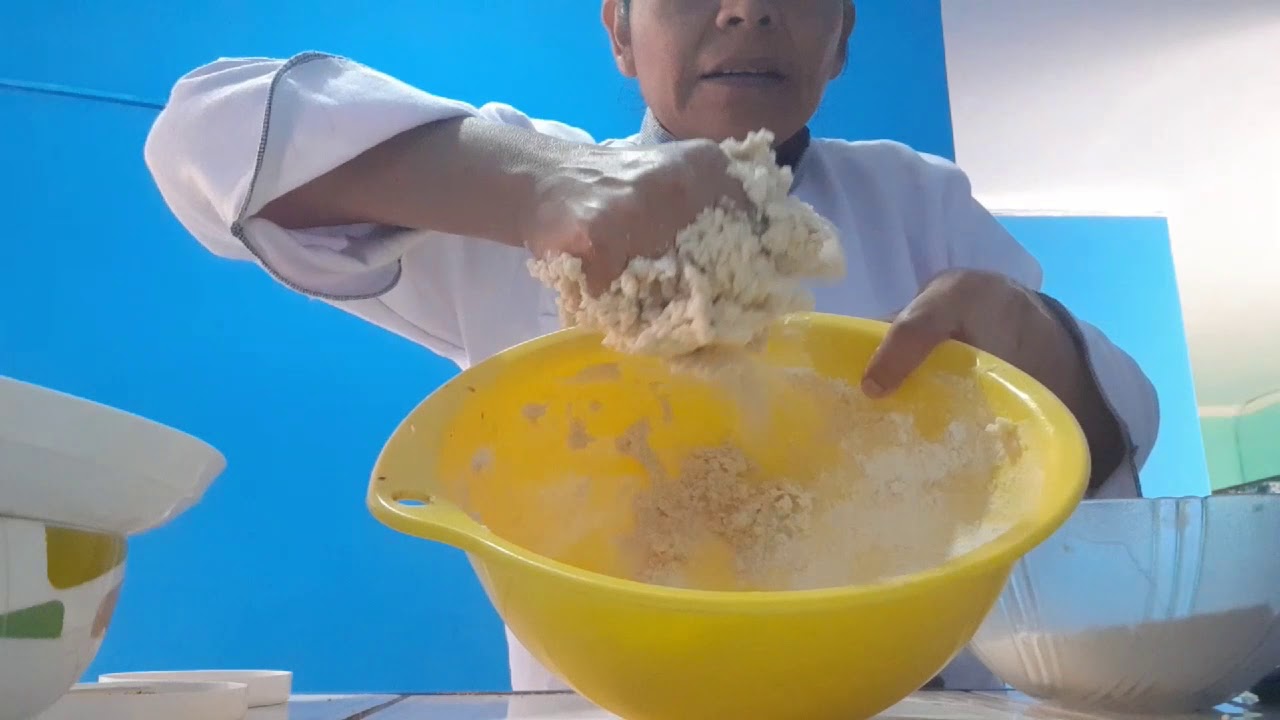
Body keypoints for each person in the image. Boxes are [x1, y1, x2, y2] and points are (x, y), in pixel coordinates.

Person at [144, 0, 1159, 694]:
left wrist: (1029, 339)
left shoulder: (913, 198)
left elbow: (1116, 417)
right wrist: (539, 190)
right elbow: (205, 135)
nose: (746, 7)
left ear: (840, 39)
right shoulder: (523, 201)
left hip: (905, 695)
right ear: (620, 34)